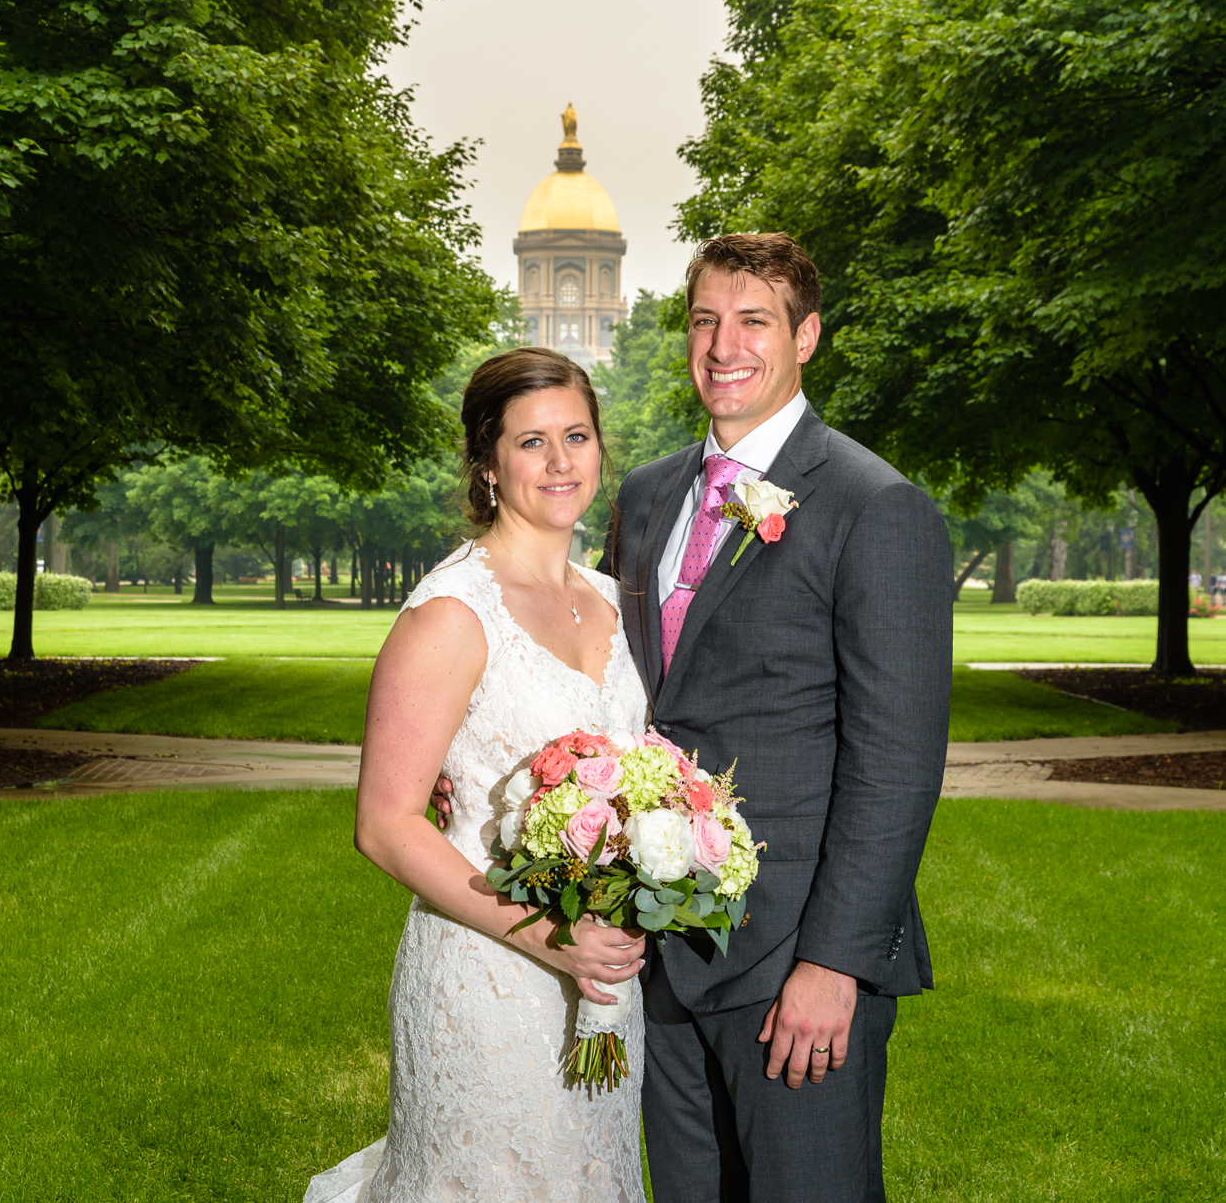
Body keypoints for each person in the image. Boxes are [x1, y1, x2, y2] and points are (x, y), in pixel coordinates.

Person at [601, 233, 950, 1201]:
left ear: (805, 336)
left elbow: (896, 762)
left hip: (793, 956)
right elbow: (623, 689)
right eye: (704, 321)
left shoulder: (873, 505)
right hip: (662, 948)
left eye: (752, 321)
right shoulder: (644, 496)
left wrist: (833, 965)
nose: (723, 345)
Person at [305, 348, 651, 1203]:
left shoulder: (615, 599)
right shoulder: (451, 614)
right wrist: (548, 937)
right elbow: (385, 823)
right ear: (489, 463)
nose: (561, 461)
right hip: (488, 981)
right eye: (531, 442)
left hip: (605, 979)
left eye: (577, 434)